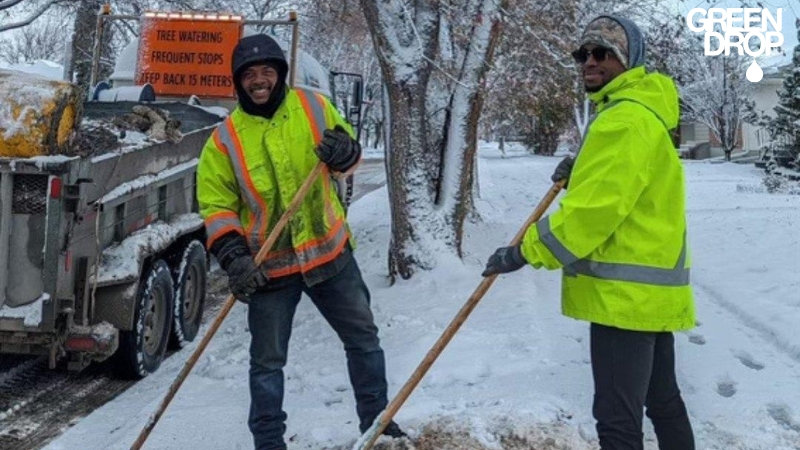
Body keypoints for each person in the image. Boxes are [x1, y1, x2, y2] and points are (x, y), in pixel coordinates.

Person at [482, 16, 696, 450]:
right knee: (662, 401)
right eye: (583, 54)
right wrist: (581, 170)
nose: (589, 62)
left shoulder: (623, 120)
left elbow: (594, 213)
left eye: (602, 53)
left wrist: (524, 250)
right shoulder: (640, 113)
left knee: (617, 421)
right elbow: (625, 189)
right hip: (648, 292)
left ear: (628, 59)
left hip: (623, 297)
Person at [196, 34, 405, 450]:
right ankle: (269, 442)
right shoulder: (224, 140)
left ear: (280, 74)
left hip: (329, 256)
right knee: (267, 364)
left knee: (363, 339)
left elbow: (348, 156)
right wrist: (235, 257)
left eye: (267, 71)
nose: (260, 80)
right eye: (250, 74)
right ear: (239, 82)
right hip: (270, 268)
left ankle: (378, 426)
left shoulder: (314, 107)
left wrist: (344, 150)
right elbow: (216, 207)